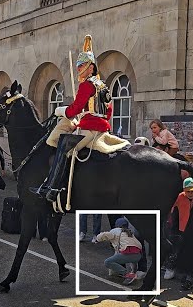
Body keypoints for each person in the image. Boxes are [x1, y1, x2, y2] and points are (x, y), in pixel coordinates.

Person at [30, 34, 128, 203]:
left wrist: (62, 111)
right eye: (78, 65)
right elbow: (108, 111)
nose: (78, 68)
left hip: (90, 129)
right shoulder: (103, 86)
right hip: (101, 128)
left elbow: (74, 109)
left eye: (82, 65)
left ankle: (52, 188)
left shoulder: (87, 85)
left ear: (91, 67)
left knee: (64, 148)